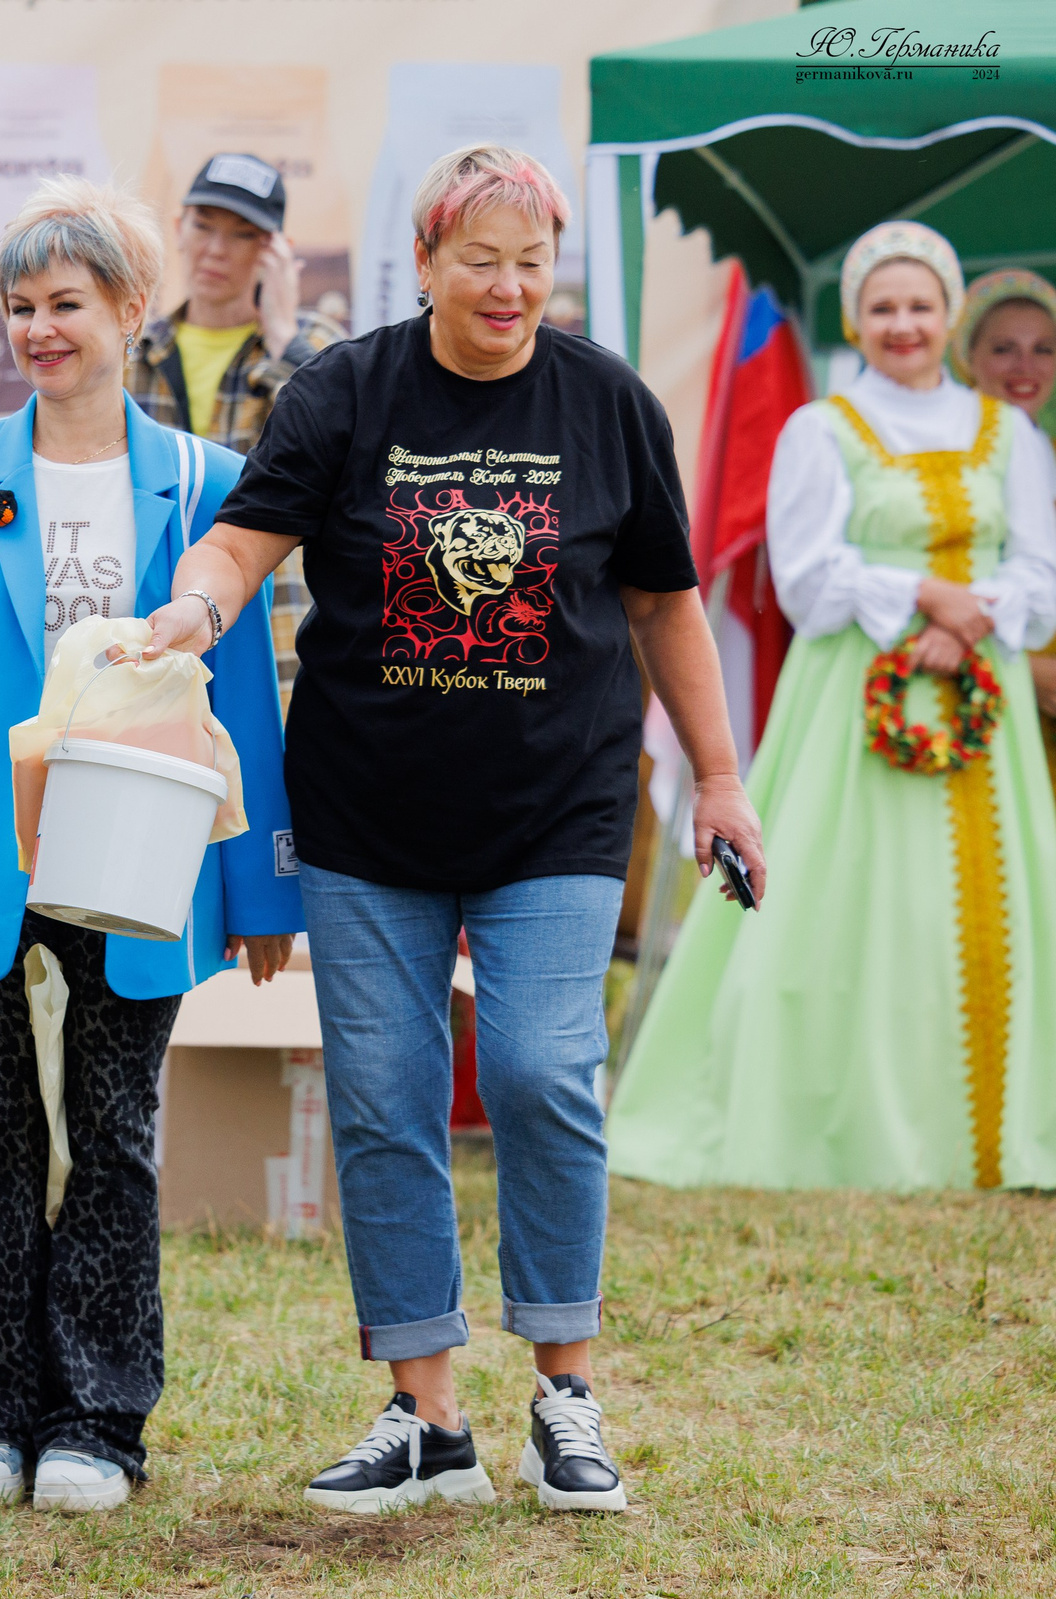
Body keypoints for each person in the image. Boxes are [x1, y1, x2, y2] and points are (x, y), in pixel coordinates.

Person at [152, 144, 764, 1517]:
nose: (507, 285)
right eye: (478, 259)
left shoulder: (605, 401)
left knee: (547, 1071)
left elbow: (667, 600)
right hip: (368, 813)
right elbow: (244, 545)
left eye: (531, 262)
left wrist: (719, 779)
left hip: (559, 806)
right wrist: (190, 614)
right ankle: (425, 1413)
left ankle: (567, 1392)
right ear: (423, 263)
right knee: (382, 1099)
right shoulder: (347, 391)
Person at [0, 178, 302, 1516]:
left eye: (68, 305)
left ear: (132, 312)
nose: (41, 329)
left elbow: (248, 697)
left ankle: (101, 1417)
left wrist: (258, 879)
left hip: (143, 847)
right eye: (21, 307)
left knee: (116, 1132)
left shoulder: (214, 483)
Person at [611, 222, 1056, 1193]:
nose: (903, 324)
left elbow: (1039, 570)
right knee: (856, 905)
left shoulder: (1006, 432)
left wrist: (965, 620)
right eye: (883, 307)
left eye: (920, 305)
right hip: (855, 705)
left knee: (992, 915)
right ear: (856, 318)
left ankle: (994, 1132)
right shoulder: (822, 428)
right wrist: (922, 598)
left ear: (949, 317)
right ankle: (850, 1127)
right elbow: (806, 577)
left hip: (982, 704)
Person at [130, 153, 347, 709]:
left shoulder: (317, 349)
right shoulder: (138, 349)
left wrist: (282, 338)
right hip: (156, 615)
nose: (217, 249)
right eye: (204, 226)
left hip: (279, 619)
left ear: (274, 252)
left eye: (243, 234)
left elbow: (347, 452)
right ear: (178, 228)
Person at [950, 268, 1056, 777]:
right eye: (1003, 348)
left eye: (1043, 349)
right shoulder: (946, 467)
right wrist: (1024, 673)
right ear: (968, 357)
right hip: (976, 705)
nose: (1025, 366)